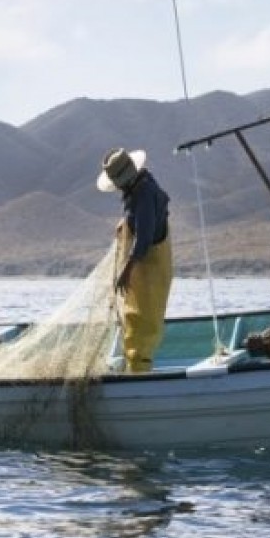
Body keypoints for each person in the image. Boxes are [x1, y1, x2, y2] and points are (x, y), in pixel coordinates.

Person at [97, 148, 172, 373]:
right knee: (133, 322)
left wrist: (127, 269)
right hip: (144, 271)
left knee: (142, 328)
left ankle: (139, 378)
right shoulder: (137, 189)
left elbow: (145, 237)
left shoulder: (145, 193)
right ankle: (136, 371)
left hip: (151, 271)